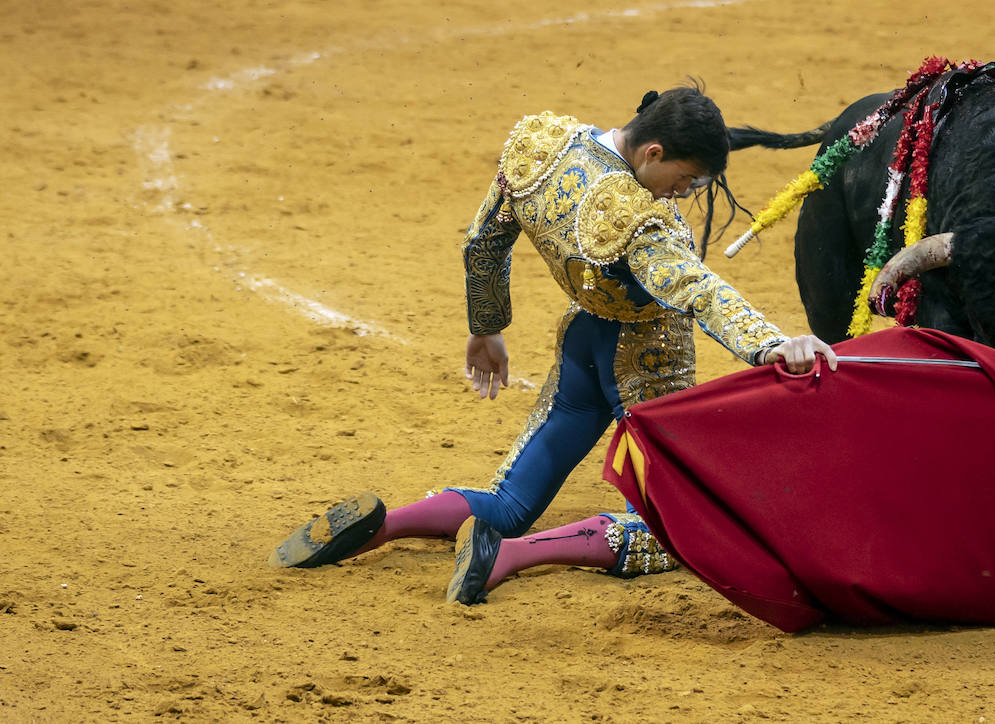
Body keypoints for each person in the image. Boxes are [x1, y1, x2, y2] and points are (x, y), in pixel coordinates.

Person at [271, 81, 837, 605]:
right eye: (685, 179)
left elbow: (483, 242)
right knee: (673, 534)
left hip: (583, 344)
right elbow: (695, 286)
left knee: (509, 503)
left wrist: (486, 328)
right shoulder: (637, 219)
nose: (685, 192)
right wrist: (771, 344)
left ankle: (386, 524)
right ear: (653, 153)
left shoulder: (544, 143)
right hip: (647, 360)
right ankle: (508, 558)